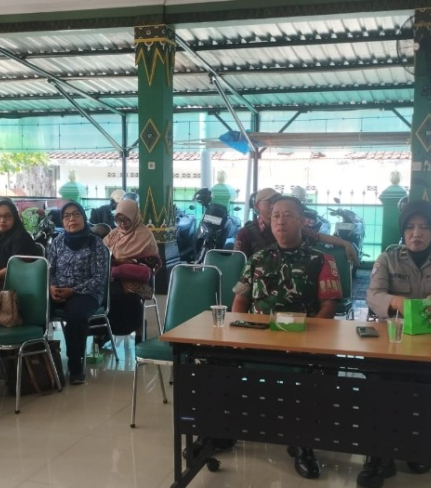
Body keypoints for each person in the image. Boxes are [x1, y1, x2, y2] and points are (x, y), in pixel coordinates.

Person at [232, 196, 342, 479]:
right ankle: (217, 431)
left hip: (301, 342)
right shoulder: (257, 258)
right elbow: (240, 301)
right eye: (276, 215)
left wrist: (307, 340)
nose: (280, 221)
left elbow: (329, 307)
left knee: (322, 368)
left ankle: (304, 443)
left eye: (288, 215)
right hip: (258, 340)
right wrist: (238, 333)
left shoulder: (322, 260)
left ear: (303, 221)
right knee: (211, 360)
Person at [361, 199, 431, 488]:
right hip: (391, 340)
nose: (417, 233)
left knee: (422, 393)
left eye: (425, 227)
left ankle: (416, 445)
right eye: (411, 227)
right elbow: (372, 295)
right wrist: (397, 302)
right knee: (381, 388)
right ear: (403, 232)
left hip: (427, 343)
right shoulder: (388, 258)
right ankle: (379, 453)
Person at [49, 202, 109, 385]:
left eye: (76, 214)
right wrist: (51, 287)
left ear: (84, 217)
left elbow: (99, 278)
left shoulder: (96, 244)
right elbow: (50, 269)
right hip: (59, 291)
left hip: (88, 293)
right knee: (36, 308)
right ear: (62, 221)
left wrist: (73, 290)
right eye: (66, 216)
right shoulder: (57, 241)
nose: (72, 219)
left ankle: (75, 367)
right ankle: (41, 361)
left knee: (75, 314)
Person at [234, 188, 358, 263]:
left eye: (275, 201)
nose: (273, 205)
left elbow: (317, 236)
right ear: (257, 206)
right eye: (269, 202)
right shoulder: (246, 233)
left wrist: (345, 243)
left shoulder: (289, 227)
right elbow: (237, 263)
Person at [102, 199, 159, 342]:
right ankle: (104, 331)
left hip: (137, 280)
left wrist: (123, 263)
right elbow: (102, 252)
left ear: (134, 217)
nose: (122, 224)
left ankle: (137, 328)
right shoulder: (114, 234)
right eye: (118, 220)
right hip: (113, 276)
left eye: (126, 220)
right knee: (102, 294)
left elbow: (151, 263)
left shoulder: (145, 235)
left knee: (123, 297)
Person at [0, 198, 40, 287]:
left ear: (15, 217)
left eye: (8, 216)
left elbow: (17, 267)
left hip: (15, 286)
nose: (2, 220)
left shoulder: (21, 237)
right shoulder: (2, 236)